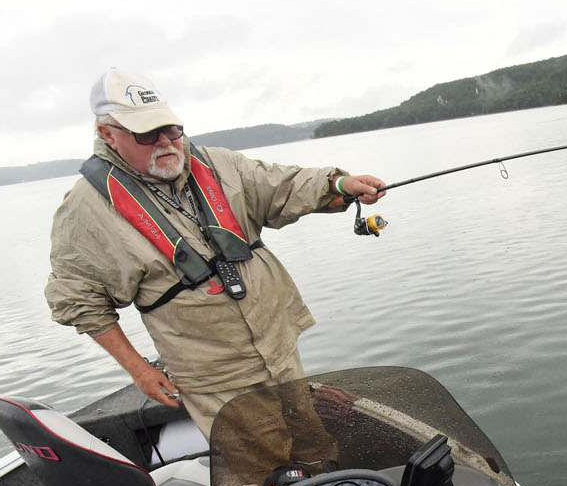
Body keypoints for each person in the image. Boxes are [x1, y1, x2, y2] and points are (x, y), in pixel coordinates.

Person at [45, 67, 386, 446]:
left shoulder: (218, 165)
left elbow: (282, 185)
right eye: (147, 133)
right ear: (107, 134)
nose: (166, 142)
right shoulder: (84, 210)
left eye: (171, 129)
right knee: (258, 470)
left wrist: (339, 185)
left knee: (313, 443)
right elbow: (77, 301)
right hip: (212, 375)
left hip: (278, 347)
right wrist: (139, 370)